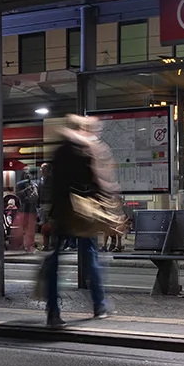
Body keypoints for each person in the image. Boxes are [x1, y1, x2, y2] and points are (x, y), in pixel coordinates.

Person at [44, 115, 117, 328]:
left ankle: (53, 313)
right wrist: (109, 209)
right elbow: (101, 182)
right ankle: (99, 305)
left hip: (62, 212)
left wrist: (52, 213)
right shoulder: (90, 149)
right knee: (91, 257)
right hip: (85, 213)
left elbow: (53, 184)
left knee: (55, 262)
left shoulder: (60, 151)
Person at [15, 167, 41, 251]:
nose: (28, 175)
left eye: (29, 173)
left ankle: (30, 245)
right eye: (26, 173)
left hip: (31, 208)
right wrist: (26, 190)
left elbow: (36, 197)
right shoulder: (20, 184)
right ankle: (23, 245)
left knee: (31, 229)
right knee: (23, 229)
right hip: (23, 208)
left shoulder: (34, 184)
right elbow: (18, 195)